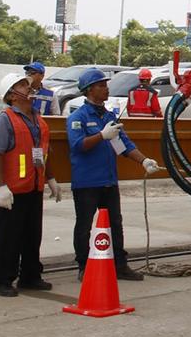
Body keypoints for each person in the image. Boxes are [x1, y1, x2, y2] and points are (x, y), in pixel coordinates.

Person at [66, 67, 161, 281]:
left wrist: (144, 160)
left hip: (108, 180)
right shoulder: (77, 117)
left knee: (115, 223)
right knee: (84, 225)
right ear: (89, 90)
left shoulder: (109, 116)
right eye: (101, 85)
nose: (106, 89)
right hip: (87, 182)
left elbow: (124, 145)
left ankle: (120, 265)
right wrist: (101, 135)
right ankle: (84, 265)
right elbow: (78, 145)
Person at [0, 74, 61, 297]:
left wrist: (50, 178)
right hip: (12, 191)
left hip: (33, 187)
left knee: (32, 235)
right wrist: (2, 186)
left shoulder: (37, 119)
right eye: (22, 85)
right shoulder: (5, 119)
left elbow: (43, 152)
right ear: (12, 95)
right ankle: (1, 280)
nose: (29, 88)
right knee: (8, 238)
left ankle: (30, 275)